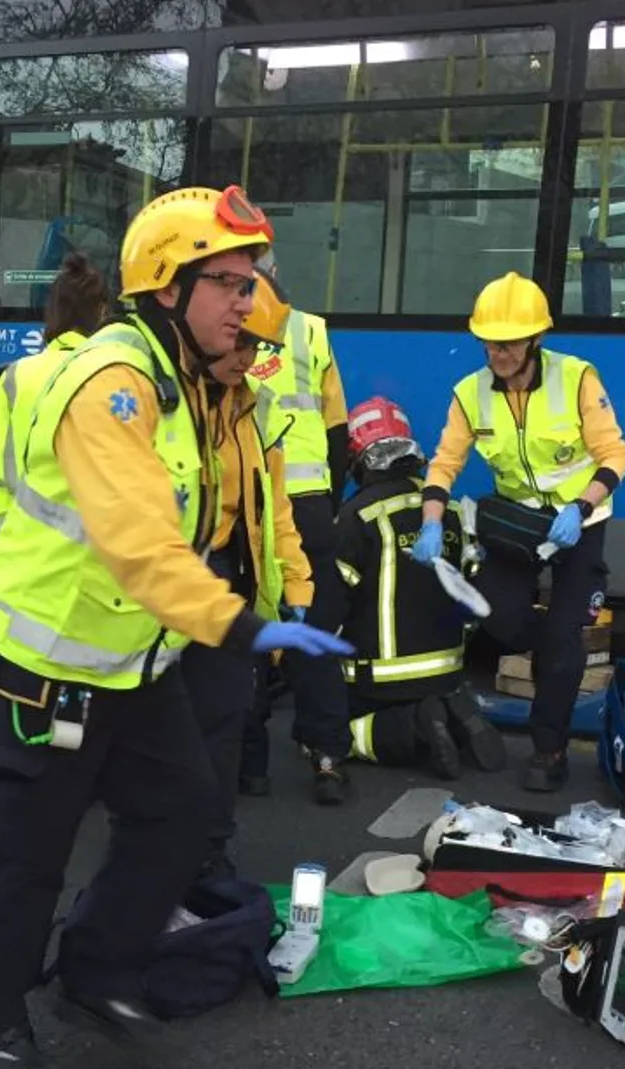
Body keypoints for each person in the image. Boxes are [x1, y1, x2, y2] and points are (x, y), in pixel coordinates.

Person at [0, 185, 351, 1068]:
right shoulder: (117, 386)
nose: (248, 309)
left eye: (252, 287)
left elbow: (231, 513)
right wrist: (242, 629)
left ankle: (95, 969)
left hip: (135, 660)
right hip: (51, 666)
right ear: (169, 287)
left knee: (180, 813)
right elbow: (139, 541)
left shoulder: (204, 388)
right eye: (232, 286)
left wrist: (287, 588)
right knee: (25, 856)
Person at [411, 272, 625, 792]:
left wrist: (581, 506)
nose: (497, 352)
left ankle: (548, 749)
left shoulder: (577, 379)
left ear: (534, 339)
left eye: (507, 342)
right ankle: (560, 648)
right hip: (518, 525)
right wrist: (431, 521)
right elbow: (444, 463)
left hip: (578, 524)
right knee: (498, 619)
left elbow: (615, 454)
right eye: (489, 341)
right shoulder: (469, 393)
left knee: (561, 638)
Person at [182, 262, 319, 876]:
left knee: (224, 723)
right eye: (244, 344)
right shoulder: (162, 405)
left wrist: (296, 583)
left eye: (263, 349)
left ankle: (207, 852)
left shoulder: (251, 411)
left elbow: (273, 510)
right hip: (164, 596)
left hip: (224, 591)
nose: (252, 360)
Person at [333, 396, 507, 778]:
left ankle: (415, 727)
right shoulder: (453, 513)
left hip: (377, 682)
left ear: (359, 458)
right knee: (435, 694)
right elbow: (475, 591)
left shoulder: (355, 516)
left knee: (326, 734)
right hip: (449, 671)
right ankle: (453, 711)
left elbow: (333, 605)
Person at [239, 260, 356, 805]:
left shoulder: (219, 330)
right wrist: (328, 498)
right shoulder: (310, 330)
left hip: (251, 499)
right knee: (314, 630)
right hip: (309, 501)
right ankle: (328, 757)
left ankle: (250, 763)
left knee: (247, 623)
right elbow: (338, 427)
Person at [0, 252, 109, 534]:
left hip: (21, 561)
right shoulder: (116, 375)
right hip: (97, 563)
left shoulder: (16, 377)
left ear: (53, 312)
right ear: (103, 312)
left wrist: (13, 535)